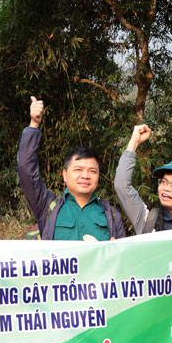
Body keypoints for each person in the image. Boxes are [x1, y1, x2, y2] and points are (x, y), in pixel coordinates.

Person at [17, 96, 126, 241]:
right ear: (64, 174)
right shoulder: (47, 206)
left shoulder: (111, 215)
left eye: (92, 171)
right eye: (78, 169)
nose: (86, 176)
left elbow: (123, 258)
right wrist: (34, 124)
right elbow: (26, 170)